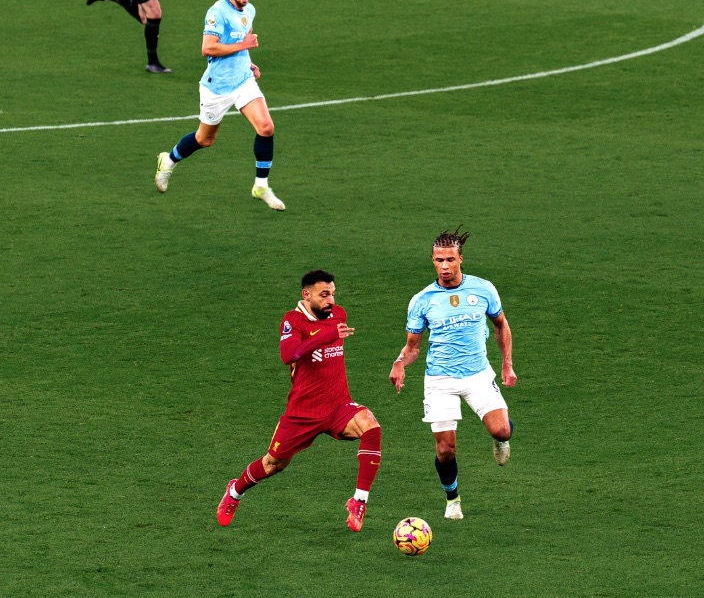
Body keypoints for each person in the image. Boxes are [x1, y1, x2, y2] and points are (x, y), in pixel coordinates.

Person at [217, 270, 383, 532]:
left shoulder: (338, 314)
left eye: (333, 294)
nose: (331, 301)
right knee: (273, 464)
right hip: (303, 413)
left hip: (339, 405)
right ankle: (235, 491)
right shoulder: (293, 321)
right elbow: (288, 354)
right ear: (306, 295)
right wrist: (324, 337)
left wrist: (327, 332)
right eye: (324, 295)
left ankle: (358, 501)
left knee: (371, 427)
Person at [389, 226, 517, 521]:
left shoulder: (483, 289)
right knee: (446, 449)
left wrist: (507, 364)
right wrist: (399, 363)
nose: (444, 266)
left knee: (502, 429)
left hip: (477, 375)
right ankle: (453, 498)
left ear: (461, 259)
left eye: (449, 259)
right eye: (438, 260)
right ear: (432, 261)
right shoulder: (422, 300)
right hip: (440, 380)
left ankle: (501, 439)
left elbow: (501, 325)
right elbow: (412, 347)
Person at [154, 0, 285, 210]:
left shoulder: (249, 10)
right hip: (217, 87)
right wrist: (243, 45)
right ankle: (169, 160)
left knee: (266, 127)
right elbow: (208, 49)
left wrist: (248, 61)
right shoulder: (217, 12)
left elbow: (238, 45)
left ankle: (261, 186)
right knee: (205, 139)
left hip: (243, 81)